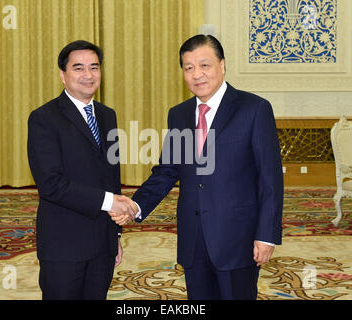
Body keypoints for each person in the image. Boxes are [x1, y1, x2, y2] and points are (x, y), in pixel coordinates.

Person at [111, 34, 284, 300]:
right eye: (189, 67)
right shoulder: (178, 114)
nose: (197, 74)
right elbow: (167, 171)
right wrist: (136, 205)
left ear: (222, 66)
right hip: (193, 240)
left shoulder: (254, 109)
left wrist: (266, 235)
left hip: (238, 239)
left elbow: (270, 180)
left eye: (205, 65)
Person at [27, 40, 135, 300]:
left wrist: (115, 234)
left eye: (94, 67)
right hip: (64, 245)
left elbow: (111, 177)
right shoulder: (44, 118)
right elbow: (51, 184)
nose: (88, 75)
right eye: (78, 68)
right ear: (63, 75)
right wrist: (111, 202)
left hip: (102, 244)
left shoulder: (107, 116)